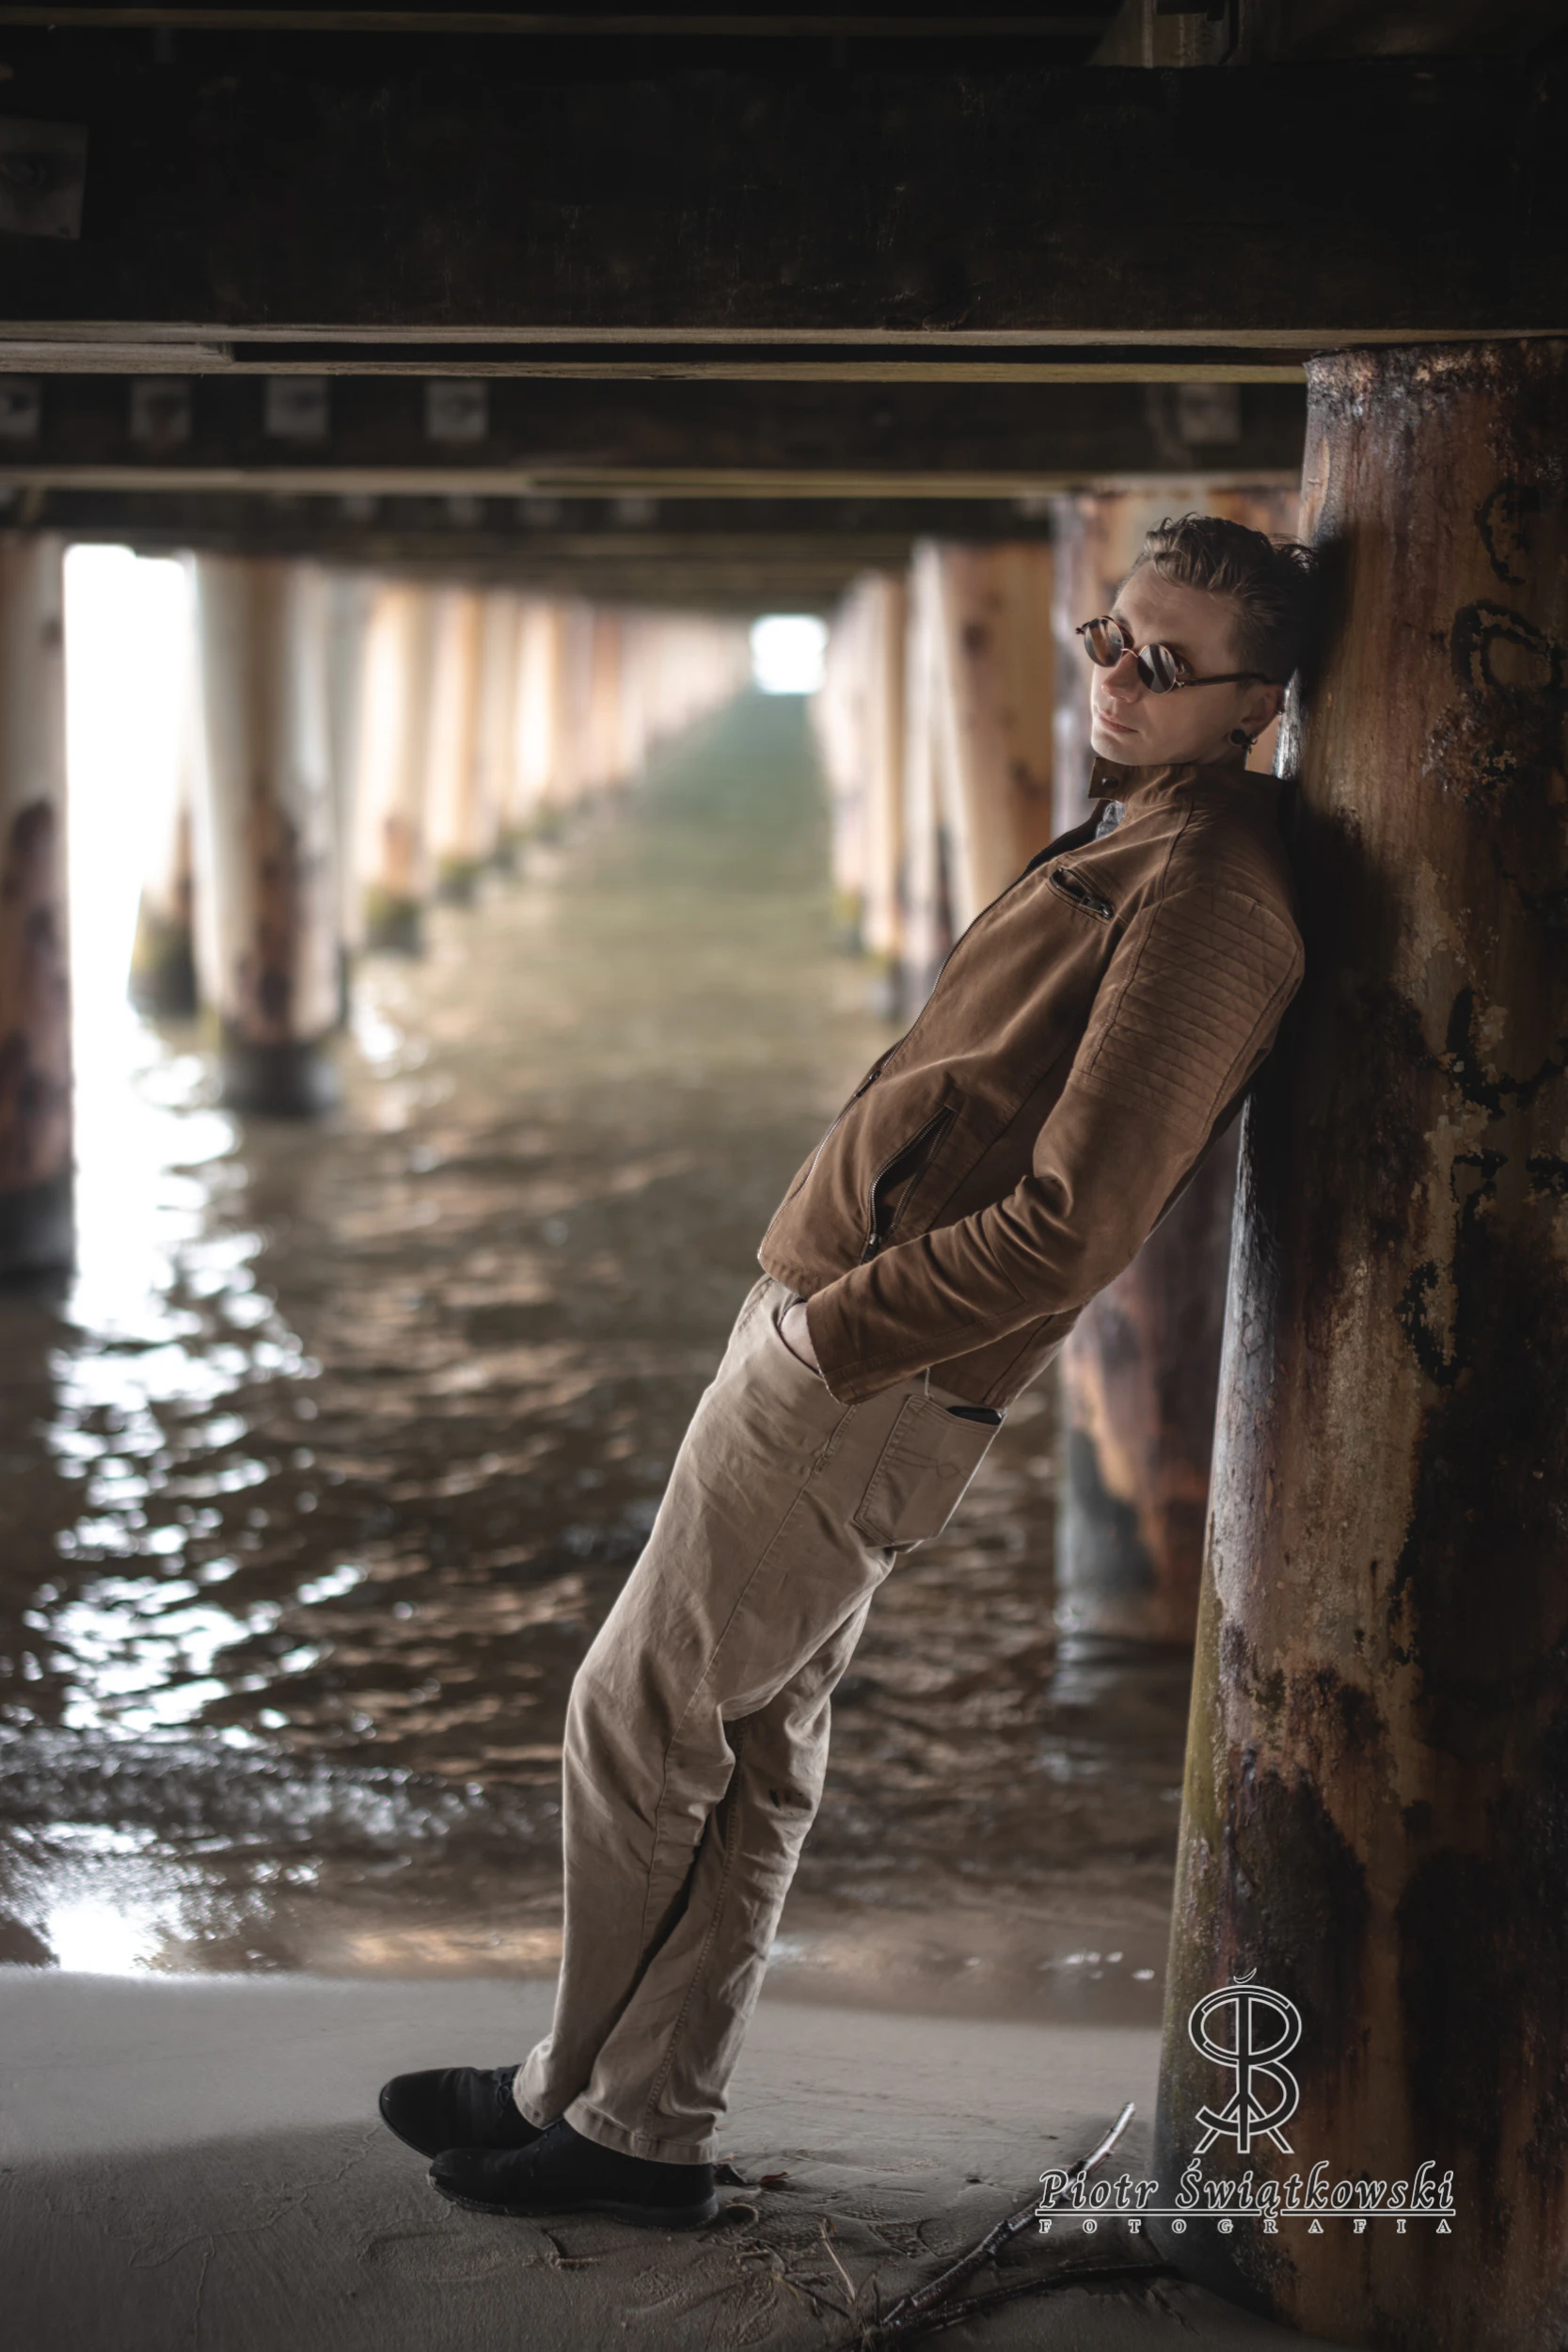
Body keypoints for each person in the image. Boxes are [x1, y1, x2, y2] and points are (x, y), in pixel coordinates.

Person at [378, 512, 1315, 2229]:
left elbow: (1073, 1226)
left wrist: (834, 1333)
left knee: (636, 1716)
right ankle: (634, 2128)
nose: (1116, 677)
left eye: (1166, 665)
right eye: (1109, 637)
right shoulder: (1142, 831)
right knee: (744, 1743)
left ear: (1258, 704)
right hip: (840, 1338)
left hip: (863, 1372)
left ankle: (559, 2094)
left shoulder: (1206, 899)